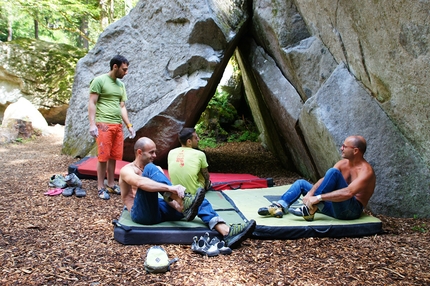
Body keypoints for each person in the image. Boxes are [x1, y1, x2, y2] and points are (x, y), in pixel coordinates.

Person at [168, 128, 256, 248]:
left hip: (176, 196)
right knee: (202, 204)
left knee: (197, 199)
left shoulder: (171, 152)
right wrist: (207, 184)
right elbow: (205, 174)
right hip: (192, 198)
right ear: (189, 141)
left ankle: (193, 205)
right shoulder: (199, 154)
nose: (198, 139)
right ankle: (227, 232)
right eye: (196, 138)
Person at [258, 135, 376, 221]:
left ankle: (311, 208)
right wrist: (310, 194)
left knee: (333, 172)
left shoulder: (366, 172)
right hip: (332, 206)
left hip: (349, 211)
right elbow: (324, 181)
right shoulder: (342, 163)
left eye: (345, 146)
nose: (341, 148)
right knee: (301, 184)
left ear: (355, 151)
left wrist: (318, 198)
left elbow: (348, 193)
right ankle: (280, 206)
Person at [119, 137, 205, 224]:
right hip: (140, 214)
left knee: (194, 203)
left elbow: (165, 193)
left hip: (156, 209)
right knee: (150, 168)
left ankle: (183, 205)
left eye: (155, 152)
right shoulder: (127, 170)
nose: (155, 155)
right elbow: (140, 182)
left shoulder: (156, 170)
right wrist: (169, 188)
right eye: (151, 152)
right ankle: (182, 202)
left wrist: (177, 206)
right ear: (139, 152)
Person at [88, 55, 136, 200]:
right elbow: (92, 102)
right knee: (103, 157)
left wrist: (129, 125)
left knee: (114, 156)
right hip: (104, 124)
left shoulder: (121, 85)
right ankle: (100, 187)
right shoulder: (99, 81)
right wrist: (92, 124)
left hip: (117, 125)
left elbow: (122, 106)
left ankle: (110, 183)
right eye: (124, 69)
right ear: (115, 66)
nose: (126, 72)